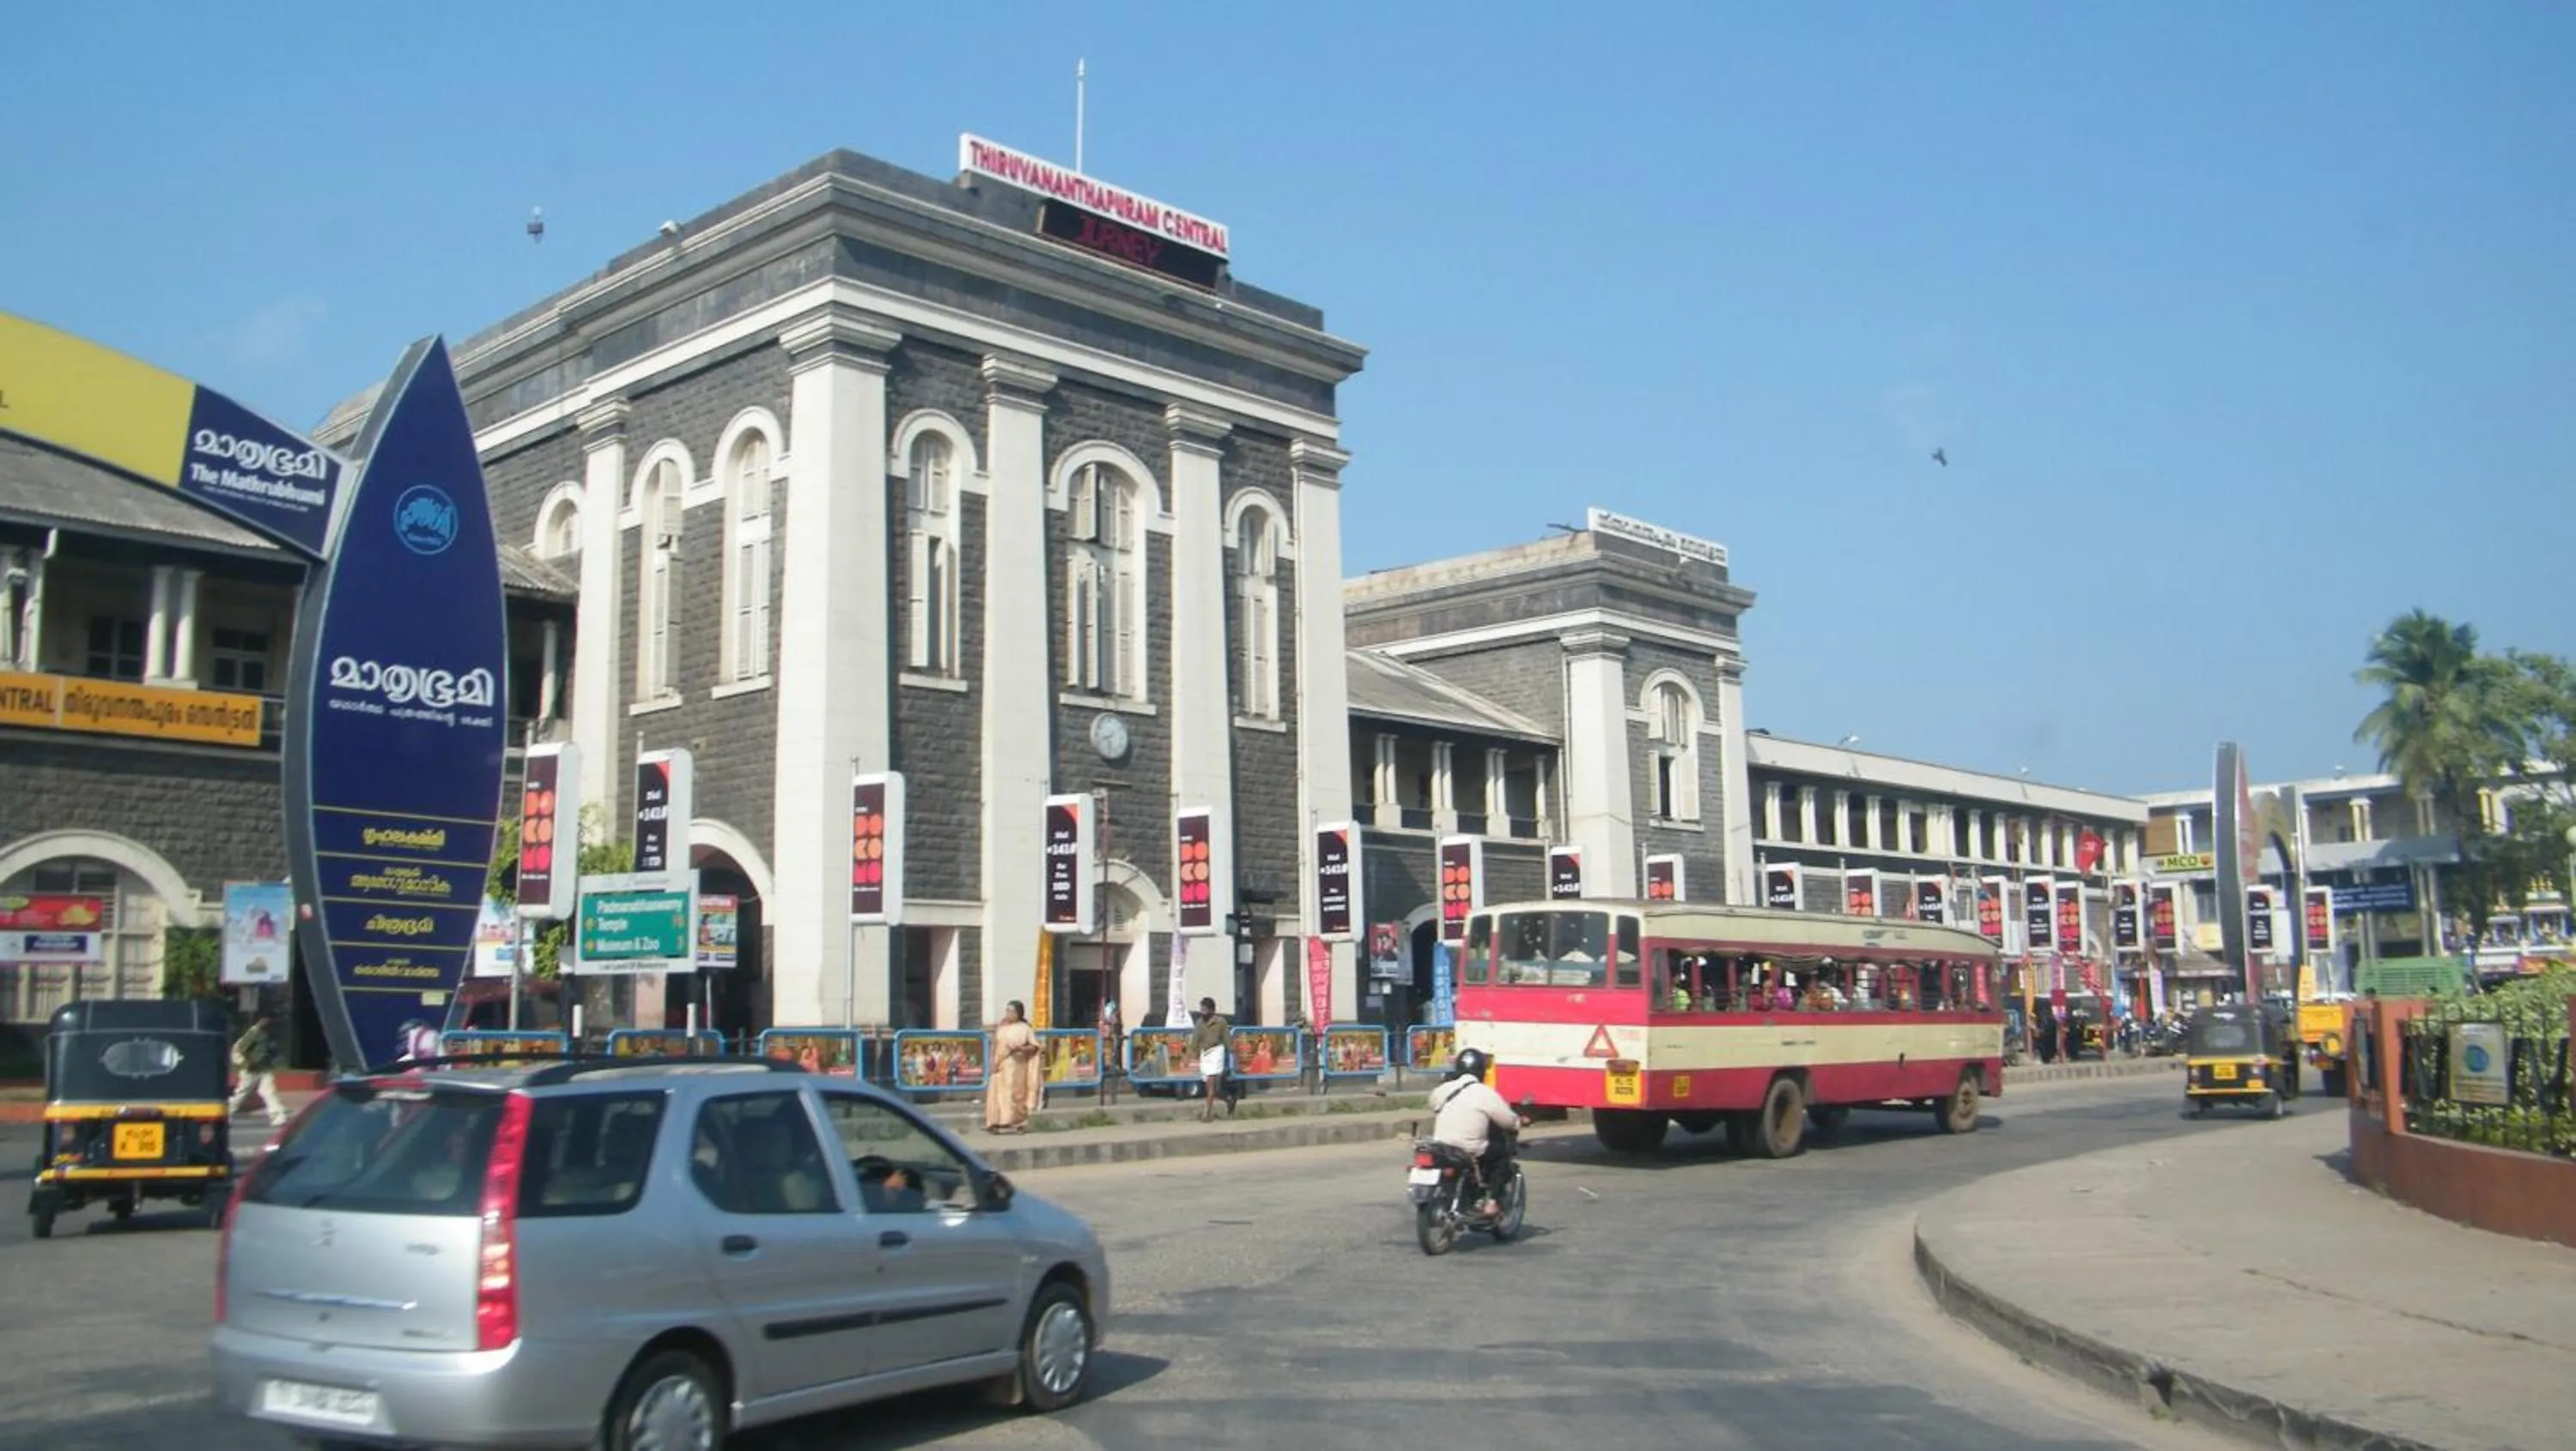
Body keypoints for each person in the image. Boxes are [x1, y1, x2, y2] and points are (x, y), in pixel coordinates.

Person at [1428, 1047, 1526, 1220]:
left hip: (1441, 1144)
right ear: (1481, 1071)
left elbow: (1433, 1104)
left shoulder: (1444, 1089)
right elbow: (1507, 1120)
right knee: (1501, 1155)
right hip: (1469, 1147)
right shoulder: (1485, 1093)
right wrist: (1518, 1122)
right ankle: (1492, 1203)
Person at [983, 1001, 1042, 1133]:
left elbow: (1034, 1047)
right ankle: (995, 1122)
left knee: (1012, 1094)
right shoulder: (1001, 1028)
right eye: (1007, 1011)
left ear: (1018, 1014)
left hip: (1016, 1066)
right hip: (1000, 1065)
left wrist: (1020, 1048)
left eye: (1011, 1011)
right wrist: (993, 1062)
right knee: (995, 1093)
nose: (1008, 1014)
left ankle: (1015, 1122)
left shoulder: (1025, 1029)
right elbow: (995, 1046)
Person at [228, 1013, 286, 1126]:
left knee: (269, 1092)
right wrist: (246, 1063)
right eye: (264, 1020)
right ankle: (227, 1113)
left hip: (264, 1069)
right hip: (251, 1070)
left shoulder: (267, 1034)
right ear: (259, 1021)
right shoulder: (253, 1033)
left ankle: (278, 1115)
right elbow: (240, 1049)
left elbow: (270, 1050)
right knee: (242, 1093)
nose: (267, 1022)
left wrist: (275, 1058)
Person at [1188, 997, 1233, 1121]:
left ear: (1212, 1010)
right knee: (1212, 1087)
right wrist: (1192, 1054)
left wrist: (1233, 1051)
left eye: (1205, 1009)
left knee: (1211, 1083)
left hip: (1217, 1052)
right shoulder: (1199, 1023)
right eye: (1201, 1009)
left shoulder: (1221, 1022)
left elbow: (1227, 1040)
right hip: (1205, 1054)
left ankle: (1207, 1113)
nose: (1203, 1012)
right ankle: (1228, 1098)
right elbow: (1195, 1040)